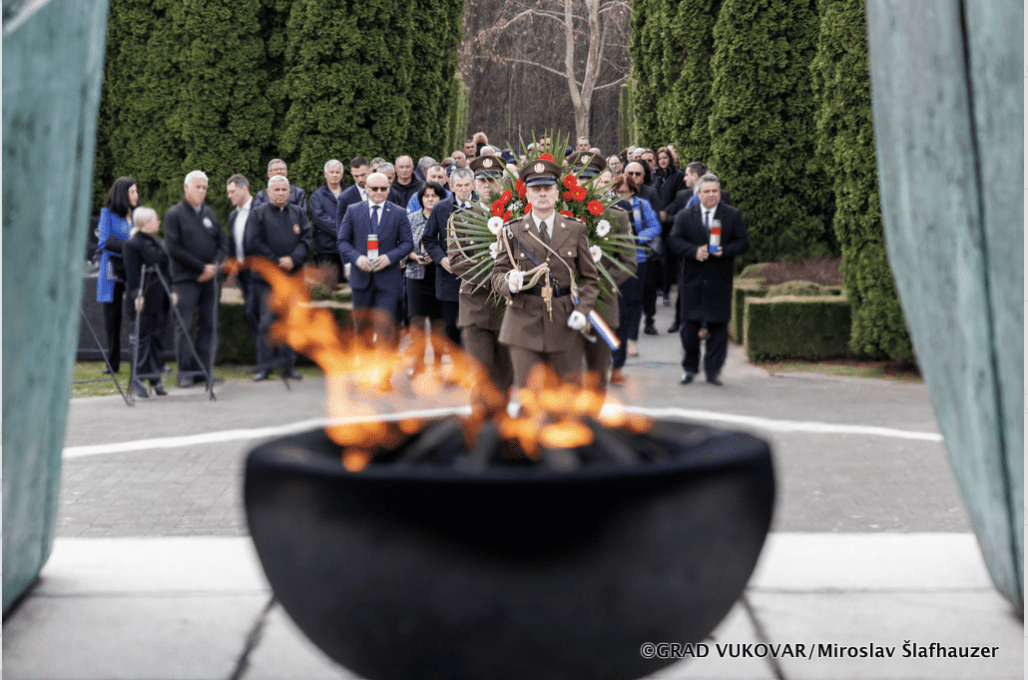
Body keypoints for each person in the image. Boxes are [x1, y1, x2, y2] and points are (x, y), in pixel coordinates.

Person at [490, 158, 600, 388]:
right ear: (527, 195)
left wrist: (583, 310)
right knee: (530, 395)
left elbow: (590, 278)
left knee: (566, 394)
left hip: (564, 321)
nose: (542, 194)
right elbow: (497, 273)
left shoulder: (574, 229)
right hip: (523, 321)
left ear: (557, 193)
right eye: (536, 189)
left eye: (547, 188)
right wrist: (509, 282)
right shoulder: (512, 230)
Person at [668, 173, 749, 386]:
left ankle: (713, 371)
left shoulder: (732, 215)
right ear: (699, 193)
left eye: (715, 191)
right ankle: (690, 368)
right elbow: (674, 241)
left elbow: (743, 242)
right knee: (689, 330)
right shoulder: (685, 216)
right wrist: (693, 251)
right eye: (707, 191)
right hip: (692, 281)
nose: (712, 195)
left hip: (719, 280)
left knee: (718, 329)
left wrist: (726, 250)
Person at [444, 157, 514, 395]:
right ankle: (481, 428)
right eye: (482, 180)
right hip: (476, 306)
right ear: (474, 184)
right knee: (482, 375)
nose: (487, 185)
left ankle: (501, 429)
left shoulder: (515, 218)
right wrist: (497, 280)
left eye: (493, 180)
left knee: (505, 378)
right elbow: (457, 261)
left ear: (502, 184)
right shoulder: (461, 219)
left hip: (508, 307)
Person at [570, 155, 637, 394]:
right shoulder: (562, 215)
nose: (587, 184)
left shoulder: (617, 216)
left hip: (602, 304)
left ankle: (594, 425)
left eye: (592, 178)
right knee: (568, 377)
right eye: (581, 178)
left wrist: (601, 283)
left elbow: (629, 262)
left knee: (597, 376)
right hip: (567, 305)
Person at [337, 171, 414, 377]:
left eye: (383, 188)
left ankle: (384, 375)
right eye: (374, 189)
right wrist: (356, 258)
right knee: (361, 328)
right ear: (367, 189)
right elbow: (342, 241)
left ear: (389, 189)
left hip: (388, 280)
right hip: (361, 279)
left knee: (385, 327)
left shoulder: (398, 212)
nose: (379, 192)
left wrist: (390, 258)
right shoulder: (353, 211)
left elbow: (408, 243)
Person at [246, 175, 312, 382]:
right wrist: (277, 261)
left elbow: (306, 240)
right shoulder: (257, 214)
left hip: (292, 278)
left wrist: (294, 259)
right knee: (266, 323)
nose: (281, 193)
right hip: (267, 280)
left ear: (289, 192)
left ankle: (288, 367)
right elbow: (253, 243)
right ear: (268, 193)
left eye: (284, 190)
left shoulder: (299, 213)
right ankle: (264, 368)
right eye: (277, 190)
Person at [164, 170, 226, 387]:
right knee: (184, 325)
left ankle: (203, 371)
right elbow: (173, 248)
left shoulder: (210, 214)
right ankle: (185, 372)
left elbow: (222, 244)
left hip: (211, 281)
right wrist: (200, 267)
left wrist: (213, 267)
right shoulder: (174, 214)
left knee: (208, 325)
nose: (202, 191)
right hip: (185, 279)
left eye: (204, 188)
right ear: (186, 187)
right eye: (197, 187)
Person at [609, 174, 661, 368]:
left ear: (632, 190)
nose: (621, 195)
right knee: (618, 302)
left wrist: (637, 238)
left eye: (624, 192)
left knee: (635, 300)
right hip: (615, 261)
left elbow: (655, 226)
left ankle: (632, 339)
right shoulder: (610, 206)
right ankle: (616, 342)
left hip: (638, 258)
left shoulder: (642, 205)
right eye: (617, 192)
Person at [422, 166, 475, 346]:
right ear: (451, 187)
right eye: (459, 185)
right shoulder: (441, 208)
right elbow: (429, 239)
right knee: (451, 327)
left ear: (473, 185)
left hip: (476, 278)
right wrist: (441, 259)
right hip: (449, 277)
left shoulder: (483, 207)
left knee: (473, 328)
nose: (463, 189)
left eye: (467, 185)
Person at [122, 206, 171, 398]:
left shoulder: (156, 243)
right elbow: (132, 273)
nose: (158, 222)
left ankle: (155, 379)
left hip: (159, 298)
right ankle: (138, 378)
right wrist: (137, 294)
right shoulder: (133, 245)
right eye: (155, 219)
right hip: (144, 298)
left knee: (157, 338)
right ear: (144, 223)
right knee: (142, 340)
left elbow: (166, 268)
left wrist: (172, 290)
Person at [96, 176, 139, 374]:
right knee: (112, 319)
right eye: (132, 192)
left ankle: (142, 360)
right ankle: (112, 363)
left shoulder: (139, 215)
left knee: (139, 313)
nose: (136, 195)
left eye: (136, 191)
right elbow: (105, 241)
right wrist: (131, 247)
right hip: (112, 271)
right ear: (123, 194)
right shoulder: (108, 213)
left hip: (132, 270)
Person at [404, 182, 447, 375]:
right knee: (417, 324)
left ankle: (437, 366)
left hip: (439, 276)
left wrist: (437, 255)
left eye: (434, 195)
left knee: (439, 324)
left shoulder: (448, 218)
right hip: (416, 276)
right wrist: (414, 256)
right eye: (426, 195)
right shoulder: (411, 219)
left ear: (441, 198)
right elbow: (402, 245)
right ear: (421, 199)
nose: (430, 199)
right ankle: (417, 365)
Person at [225, 174, 259, 345]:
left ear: (244, 189)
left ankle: (268, 359)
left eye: (232, 192)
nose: (229, 196)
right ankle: (263, 358)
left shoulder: (260, 210)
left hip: (258, 272)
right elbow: (232, 245)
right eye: (228, 192)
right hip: (242, 274)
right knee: (251, 312)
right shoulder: (233, 216)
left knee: (256, 311)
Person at [309, 159, 348, 283]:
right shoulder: (317, 196)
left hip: (348, 249)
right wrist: (344, 232)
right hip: (327, 249)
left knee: (348, 289)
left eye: (338, 172)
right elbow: (320, 218)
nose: (335, 175)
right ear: (325, 174)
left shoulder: (350, 194)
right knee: (328, 287)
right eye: (332, 172)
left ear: (342, 174)